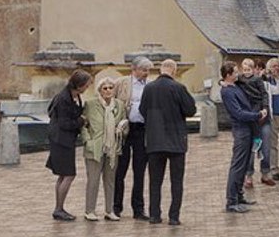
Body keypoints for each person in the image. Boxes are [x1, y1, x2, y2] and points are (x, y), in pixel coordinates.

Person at [138, 58, 197, 225]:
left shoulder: (148, 88)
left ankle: (155, 215)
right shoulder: (178, 88)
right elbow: (191, 110)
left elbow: (142, 110)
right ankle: (174, 216)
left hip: (155, 140)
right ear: (174, 71)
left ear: (161, 70)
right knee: (176, 181)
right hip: (176, 140)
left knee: (155, 181)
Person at [219, 60, 265, 213]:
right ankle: (231, 201)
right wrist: (257, 115)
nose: (238, 73)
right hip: (241, 130)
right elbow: (238, 113)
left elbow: (249, 81)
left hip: (248, 129)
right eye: (235, 71)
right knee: (237, 165)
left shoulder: (234, 86)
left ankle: (239, 196)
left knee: (244, 164)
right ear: (229, 75)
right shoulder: (227, 91)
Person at [111, 56, 151, 223]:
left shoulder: (149, 86)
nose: (146, 73)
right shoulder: (122, 83)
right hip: (124, 129)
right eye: (144, 70)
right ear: (134, 70)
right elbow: (111, 102)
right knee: (120, 169)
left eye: (148, 70)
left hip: (142, 129)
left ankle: (138, 208)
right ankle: (116, 206)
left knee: (140, 170)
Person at [46, 66, 89, 221]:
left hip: (64, 139)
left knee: (63, 175)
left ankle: (59, 207)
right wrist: (81, 121)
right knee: (69, 174)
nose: (87, 88)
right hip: (61, 140)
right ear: (79, 85)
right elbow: (64, 123)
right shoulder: (63, 98)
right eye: (86, 85)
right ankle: (58, 208)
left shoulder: (73, 95)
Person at [79, 73, 124, 220]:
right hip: (95, 148)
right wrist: (88, 141)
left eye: (111, 87)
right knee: (93, 180)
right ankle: (89, 210)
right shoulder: (91, 104)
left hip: (112, 148)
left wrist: (122, 130)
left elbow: (124, 122)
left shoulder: (119, 105)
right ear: (100, 90)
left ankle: (109, 210)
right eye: (105, 88)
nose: (108, 90)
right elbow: (83, 126)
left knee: (110, 180)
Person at [235, 56, 277, 188]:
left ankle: (265, 173)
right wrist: (221, 83)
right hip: (249, 117)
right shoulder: (239, 80)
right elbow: (227, 79)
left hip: (262, 117)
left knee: (265, 148)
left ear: (254, 70)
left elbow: (264, 95)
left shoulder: (258, 80)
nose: (246, 71)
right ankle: (248, 176)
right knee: (250, 149)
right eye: (244, 69)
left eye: (249, 69)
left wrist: (265, 108)